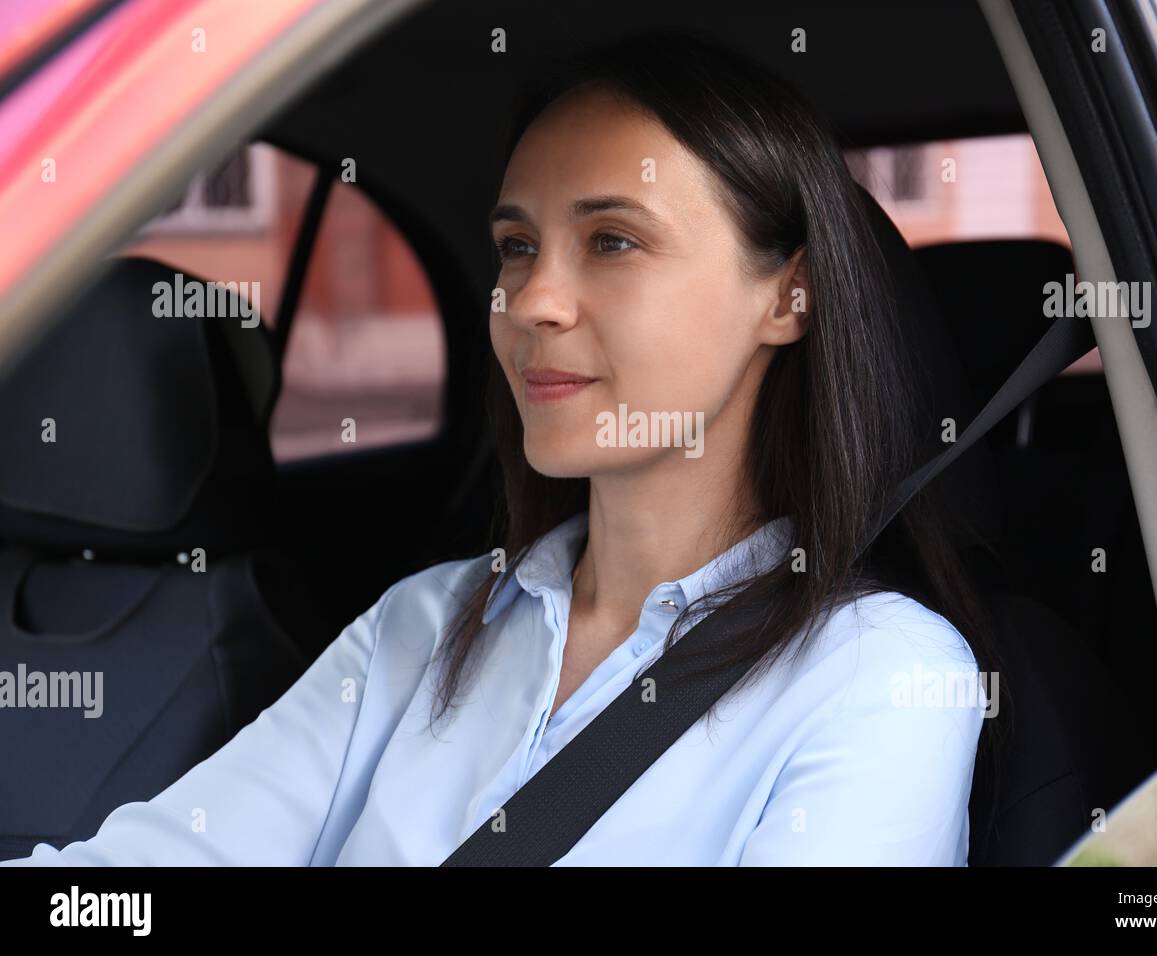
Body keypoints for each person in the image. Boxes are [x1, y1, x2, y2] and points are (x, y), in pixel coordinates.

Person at [3, 28, 998, 867]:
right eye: (517, 247)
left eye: (612, 240)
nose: (529, 302)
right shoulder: (427, 624)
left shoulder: (879, 678)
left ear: (788, 295)